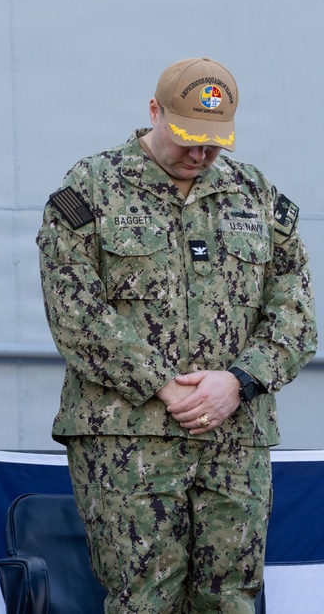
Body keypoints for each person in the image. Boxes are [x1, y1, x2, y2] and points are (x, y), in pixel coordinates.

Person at [37, 57, 317, 613]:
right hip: (127, 437)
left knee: (229, 600)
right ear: (153, 112)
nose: (200, 155)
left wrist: (238, 383)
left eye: (214, 144)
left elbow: (297, 313)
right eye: (188, 139)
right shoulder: (91, 187)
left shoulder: (256, 194)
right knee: (142, 599)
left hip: (235, 436)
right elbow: (75, 311)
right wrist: (167, 385)